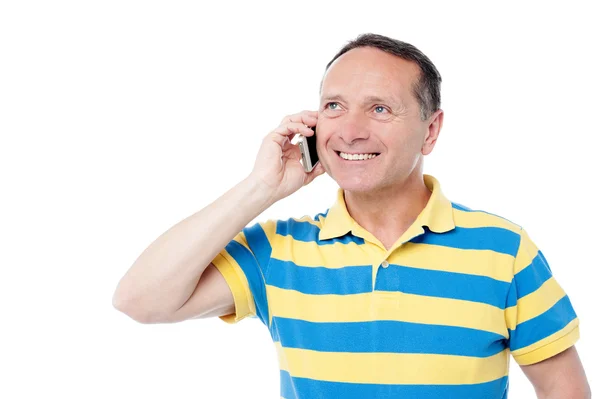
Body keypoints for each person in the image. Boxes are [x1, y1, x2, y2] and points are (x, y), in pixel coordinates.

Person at [112, 33, 591, 398]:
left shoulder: (502, 248)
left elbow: (564, 390)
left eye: (380, 108)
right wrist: (261, 189)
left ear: (431, 130)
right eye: (334, 107)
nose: (351, 131)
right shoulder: (279, 250)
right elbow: (140, 300)